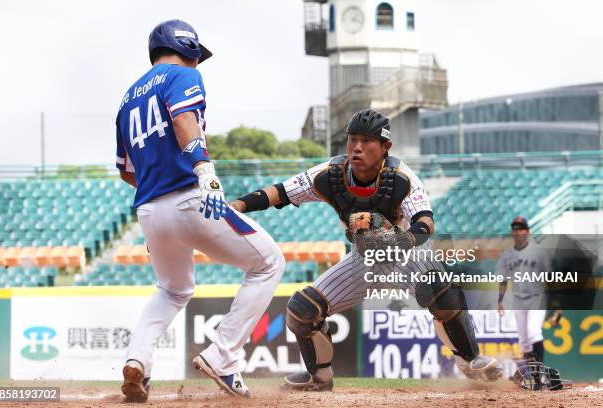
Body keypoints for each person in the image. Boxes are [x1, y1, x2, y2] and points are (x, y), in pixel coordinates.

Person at [230, 108, 503, 390]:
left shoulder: (401, 177)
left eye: (367, 141)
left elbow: (426, 223)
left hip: (405, 252)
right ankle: (318, 378)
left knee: (441, 292)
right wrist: (237, 206)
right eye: (352, 139)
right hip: (363, 259)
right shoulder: (330, 175)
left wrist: (401, 239)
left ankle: (470, 361)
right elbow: (280, 193)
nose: (357, 147)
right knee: (302, 311)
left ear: (385, 147)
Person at [115, 19, 284, 401]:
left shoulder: (127, 100)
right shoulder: (179, 75)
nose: (197, 64)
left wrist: (159, 214)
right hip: (192, 197)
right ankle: (224, 354)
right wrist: (204, 170)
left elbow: (127, 171)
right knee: (269, 262)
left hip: (150, 209)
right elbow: (184, 119)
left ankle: (137, 362)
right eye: (196, 56)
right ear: (185, 46)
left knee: (172, 289)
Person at [497, 217, 551, 364]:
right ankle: (533, 377)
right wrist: (500, 301)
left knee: (534, 333)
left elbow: (550, 276)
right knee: (524, 341)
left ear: (527, 231)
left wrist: (555, 303)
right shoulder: (507, 255)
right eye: (515, 229)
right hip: (518, 300)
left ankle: (539, 372)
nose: (518, 231)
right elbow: (503, 279)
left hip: (536, 298)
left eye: (521, 228)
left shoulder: (539, 252)